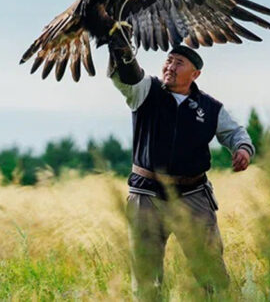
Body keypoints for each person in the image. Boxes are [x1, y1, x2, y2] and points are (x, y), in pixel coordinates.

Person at [107, 30, 254, 300]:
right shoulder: (145, 91)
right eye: (168, 60)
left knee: (211, 272)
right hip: (147, 196)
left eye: (178, 63)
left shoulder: (210, 108)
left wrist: (243, 149)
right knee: (146, 275)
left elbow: (235, 133)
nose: (170, 66)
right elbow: (127, 75)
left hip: (193, 196)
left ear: (195, 74)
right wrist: (119, 44)